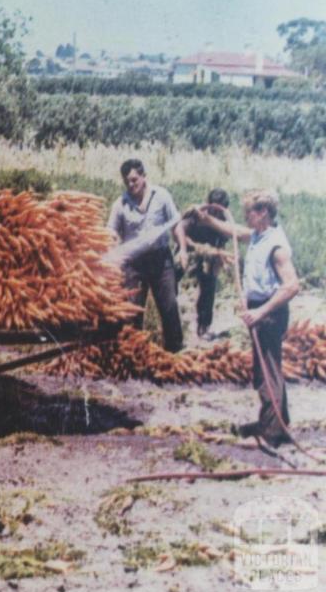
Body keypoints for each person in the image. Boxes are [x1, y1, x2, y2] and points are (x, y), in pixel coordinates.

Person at [197, 189, 300, 448]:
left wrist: (259, 311)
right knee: (266, 368)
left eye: (249, 213)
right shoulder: (257, 234)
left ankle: (271, 433)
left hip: (269, 313)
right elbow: (235, 231)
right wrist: (208, 220)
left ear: (263, 213)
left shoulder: (276, 246)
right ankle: (278, 422)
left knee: (267, 373)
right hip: (259, 308)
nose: (245, 217)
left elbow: (291, 286)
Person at [107, 158, 185, 352]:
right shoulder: (121, 204)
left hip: (160, 259)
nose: (131, 185)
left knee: (169, 305)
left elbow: (176, 224)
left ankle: (174, 352)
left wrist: (182, 249)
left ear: (143, 176)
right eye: (127, 182)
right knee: (132, 310)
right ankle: (134, 353)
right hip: (134, 263)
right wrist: (113, 251)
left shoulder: (162, 196)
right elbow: (112, 232)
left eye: (134, 180)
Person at [174, 188, 231, 341]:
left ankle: (203, 327)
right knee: (172, 277)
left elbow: (222, 244)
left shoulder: (225, 222)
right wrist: (186, 250)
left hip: (209, 255)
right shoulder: (197, 215)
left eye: (220, 211)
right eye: (214, 210)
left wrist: (220, 261)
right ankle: (171, 323)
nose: (216, 215)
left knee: (209, 285)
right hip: (188, 248)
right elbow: (179, 229)